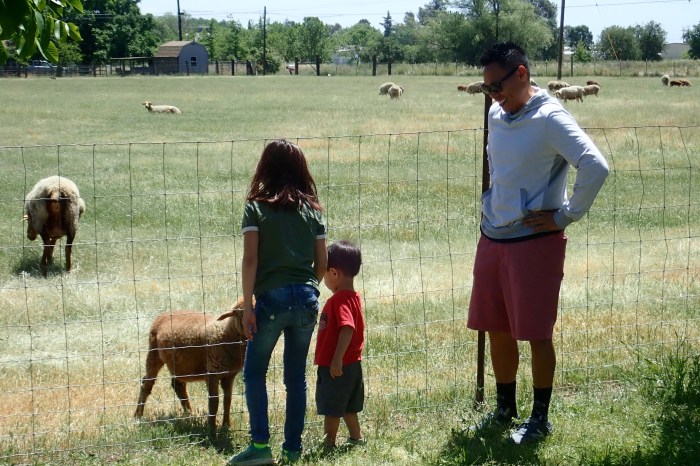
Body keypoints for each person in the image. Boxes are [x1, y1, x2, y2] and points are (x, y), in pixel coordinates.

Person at [467, 42, 609, 445]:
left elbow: (595, 166)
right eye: (487, 87)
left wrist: (565, 216)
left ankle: (540, 419)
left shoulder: (550, 118)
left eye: (497, 86)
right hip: (493, 236)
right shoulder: (496, 113)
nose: (493, 95)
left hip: (534, 242)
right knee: (496, 328)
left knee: (535, 333)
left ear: (522, 74)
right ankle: (504, 410)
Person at [228, 139, 327, 466]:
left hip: (272, 299)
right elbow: (322, 264)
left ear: (265, 168)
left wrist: (249, 308)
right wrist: (307, 289)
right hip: (308, 298)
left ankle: (260, 447)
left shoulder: (256, 208)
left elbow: (250, 260)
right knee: (295, 378)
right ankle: (292, 451)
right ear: (301, 170)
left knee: (254, 372)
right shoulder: (313, 210)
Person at [314, 240, 366, 449]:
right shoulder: (353, 297)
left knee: (332, 407)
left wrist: (337, 359)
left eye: (325, 272)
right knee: (348, 406)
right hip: (352, 364)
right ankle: (356, 438)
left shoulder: (340, 300)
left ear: (334, 273)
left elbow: (347, 328)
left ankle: (329, 444)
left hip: (336, 365)